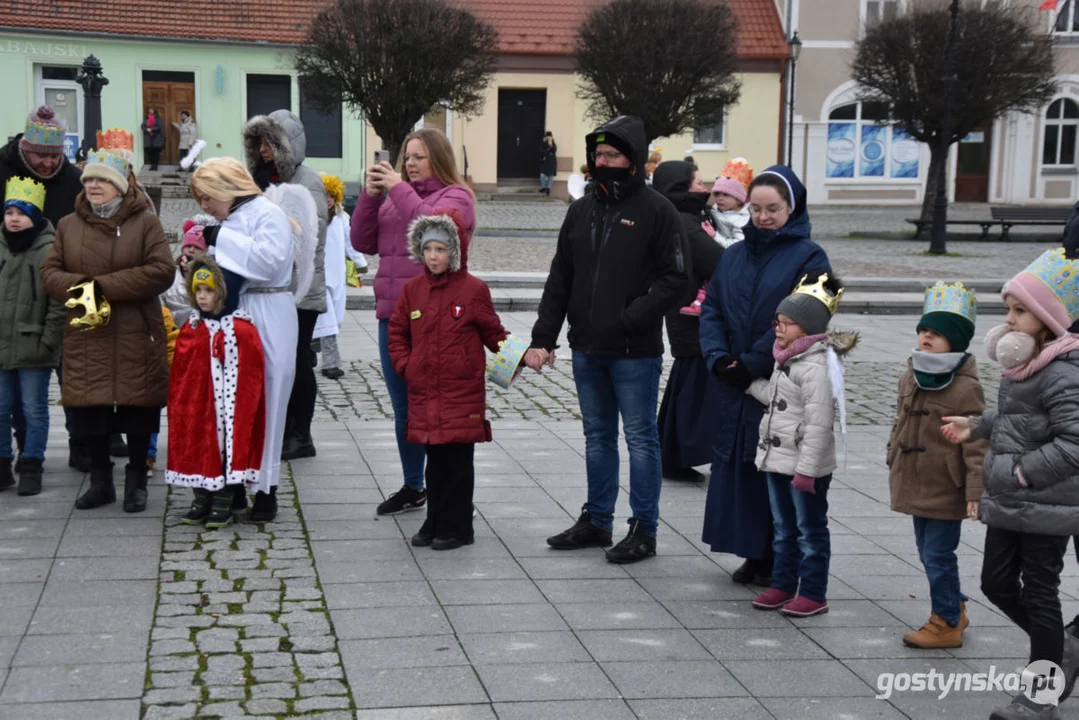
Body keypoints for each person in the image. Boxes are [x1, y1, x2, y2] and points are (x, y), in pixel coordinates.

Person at [528, 115, 688, 564]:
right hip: (587, 348)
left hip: (634, 351)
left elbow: (677, 277)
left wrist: (632, 316)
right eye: (598, 155)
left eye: (612, 155)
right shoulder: (581, 210)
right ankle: (597, 519)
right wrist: (544, 338)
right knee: (597, 437)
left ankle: (644, 528)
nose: (603, 161)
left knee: (640, 439)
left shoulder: (657, 210)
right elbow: (561, 277)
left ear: (632, 160)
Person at [943, 248, 1079, 720]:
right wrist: (977, 425)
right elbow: (1019, 419)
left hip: (1046, 503)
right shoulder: (1026, 366)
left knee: (1040, 591)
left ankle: (1040, 698)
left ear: (1046, 319)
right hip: (1012, 498)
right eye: (1009, 309)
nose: (1010, 319)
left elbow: (1074, 441)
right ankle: (1062, 645)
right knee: (996, 584)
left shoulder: (1064, 371)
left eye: (1020, 310)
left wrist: (1024, 472)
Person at [699, 166, 831, 586]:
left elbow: (810, 315)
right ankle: (752, 551)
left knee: (775, 467)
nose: (763, 217)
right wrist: (717, 356)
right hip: (733, 380)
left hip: (779, 381)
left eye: (772, 208)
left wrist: (755, 360)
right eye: (756, 208)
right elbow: (712, 306)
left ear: (792, 207)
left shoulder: (813, 258)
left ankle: (780, 557)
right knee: (739, 467)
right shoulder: (734, 254)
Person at [41, 142, 174, 513]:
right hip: (88, 330)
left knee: (137, 407)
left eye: (102, 180)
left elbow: (162, 270)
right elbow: (49, 273)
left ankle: (136, 481)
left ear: (121, 185)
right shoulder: (68, 225)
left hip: (136, 329)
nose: (94, 186)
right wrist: (84, 290)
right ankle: (101, 481)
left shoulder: (145, 221)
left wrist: (103, 287)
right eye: (89, 180)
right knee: (89, 407)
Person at [351, 128, 476, 517]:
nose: (409, 164)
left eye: (418, 157)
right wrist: (371, 198)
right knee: (403, 407)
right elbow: (361, 241)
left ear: (437, 158)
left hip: (436, 322)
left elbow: (433, 225)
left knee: (435, 407)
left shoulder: (457, 196)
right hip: (393, 318)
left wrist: (396, 189)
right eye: (407, 157)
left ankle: (444, 492)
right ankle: (413, 485)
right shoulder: (393, 200)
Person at [388, 208, 509, 550]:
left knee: (457, 463)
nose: (433, 256)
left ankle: (458, 526)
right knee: (435, 463)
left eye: (440, 249)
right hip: (426, 392)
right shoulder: (413, 290)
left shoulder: (473, 290)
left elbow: (494, 334)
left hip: (461, 394)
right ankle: (435, 519)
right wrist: (406, 365)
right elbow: (397, 331)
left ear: (454, 251)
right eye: (427, 249)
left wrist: (523, 356)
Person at [190, 157, 300, 522]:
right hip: (234, 314)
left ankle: (266, 488)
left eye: (208, 198)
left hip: (269, 309)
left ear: (226, 188)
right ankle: (234, 482)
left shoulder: (268, 214)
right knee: (233, 401)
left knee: (269, 396)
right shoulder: (230, 220)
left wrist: (221, 239)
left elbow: (269, 262)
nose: (205, 207)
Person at [746, 273, 852, 618]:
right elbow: (778, 399)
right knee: (783, 529)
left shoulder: (817, 366)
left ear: (808, 328)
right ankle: (782, 583)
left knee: (809, 531)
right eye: (778, 322)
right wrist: (749, 384)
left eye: (787, 323)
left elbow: (820, 424)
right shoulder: (787, 358)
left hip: (805, 469)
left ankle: (813, 592)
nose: (778, 329)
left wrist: (806, 472)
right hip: (778, 461)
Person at [888, 282, 987, 649]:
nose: (927, 338)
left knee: (938, 553)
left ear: (956, 342)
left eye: (937, 333)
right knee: (926, 550)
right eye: (924, 331)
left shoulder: (964, 388)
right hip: (914, 480)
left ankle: (945, 621)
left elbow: (977, 442)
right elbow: (900, 421)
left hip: (947, 486)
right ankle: (955, 603)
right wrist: (892, 452)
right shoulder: (911, 373)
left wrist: (975, 491)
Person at [0, 106, 86, 471]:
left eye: (55, 156)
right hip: (15, 284)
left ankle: (84, 442)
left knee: (79, 368)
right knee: (16, 390)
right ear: (24, 149)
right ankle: (21, 448)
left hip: (70, 281)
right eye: (41, 156)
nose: (49, 164)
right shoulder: (3, 167)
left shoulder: (73, 178)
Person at [243, 109, 327, 461]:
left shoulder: (307, 181)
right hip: (266, 288)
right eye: (259, 142)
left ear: (286, 145)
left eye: (271, 142)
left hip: (299, 289)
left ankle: (300, 433)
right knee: (273, 360)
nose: (264, 149)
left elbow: (309, 236)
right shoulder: (258, 177)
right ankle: (280, 427)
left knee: (296, 359)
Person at [167, 253, 266, 530]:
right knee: (198, 442)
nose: (201, 296)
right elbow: (183, 370)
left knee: (225, 446)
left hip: (228, 409)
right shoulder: (193, 327)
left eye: (209, 290)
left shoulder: (241, 329)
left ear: (223, 293)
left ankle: (224, 497)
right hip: (199, 405)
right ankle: (201, 496)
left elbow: (251, 375)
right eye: (197, 290)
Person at [652, 161, 724, 482]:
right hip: (692, 318)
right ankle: (678, 456)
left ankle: (670, 454)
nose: (703, 188)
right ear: (681, 188)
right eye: (697, 183)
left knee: (685, 387)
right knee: (692, 391)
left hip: (688, 317)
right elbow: (720, 262)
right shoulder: (685, 223)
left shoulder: (685, 217)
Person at [0, 177, 65, 495]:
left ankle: (31, 464)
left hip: (34, 344)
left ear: (36, 216)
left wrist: (49, 342)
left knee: (34, 408)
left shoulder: (49, 250)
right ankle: (1, 464)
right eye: (9, 211)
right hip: (1, 343)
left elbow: (58, 303)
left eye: (22, 212)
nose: (14, 218)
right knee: (0, 408)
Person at [680, 158, 755, 317]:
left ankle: (704, 301)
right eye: (717, 193)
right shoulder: (715, 210)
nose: (720, 198)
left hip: (735, 259)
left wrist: (714, 236)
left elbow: (737, 245)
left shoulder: (742, 219)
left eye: (726, 194)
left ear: (739, 199)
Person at [313, 173, 364, 380]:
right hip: (318, 277)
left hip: (337, 276)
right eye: (323, 195)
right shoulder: (311, 218)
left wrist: (360, 262)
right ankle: (331, 363)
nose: (327, 199)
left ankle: (310, 347)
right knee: (328, 320)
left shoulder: (342, 219)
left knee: (336, 318)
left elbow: (350, 242)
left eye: (331, 195)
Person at [146, 303, 180, 478]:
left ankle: (148, 457)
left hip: (153, 375)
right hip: (128, 373)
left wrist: (168, 373)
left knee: (149, 415)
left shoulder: (160, 312)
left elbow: (172, 343)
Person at [539, 131, 557, 195]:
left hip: (551, 162)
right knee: (542, 175)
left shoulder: (553, 144)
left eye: (550, 136)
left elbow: (554, 150)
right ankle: (543, 188)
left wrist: (550, 145)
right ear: (545, 137)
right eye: (547, 136)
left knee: (550, 175)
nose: (549, 138)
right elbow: (542, 152)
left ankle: (548, 189)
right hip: (545, 162)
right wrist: (549, 150)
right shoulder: (543, 143)